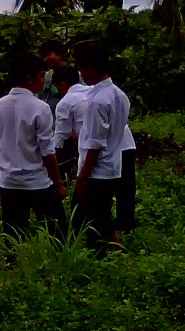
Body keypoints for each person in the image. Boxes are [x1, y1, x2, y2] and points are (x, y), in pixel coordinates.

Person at [0, 51, 68, 256]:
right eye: (41, 75)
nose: (44, 80)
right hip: (37, 181)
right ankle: (59, 263)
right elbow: (47, 151)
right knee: (57, 233)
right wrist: (58, 183)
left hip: (10, 182)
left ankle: (14, 269)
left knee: (13, 235)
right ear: (29, 78)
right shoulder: (40, 108)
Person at [71, 42, 130, 255]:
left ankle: (104, 254)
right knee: (101, 215)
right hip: (112, 165)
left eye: (83, 69)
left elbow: (95, 144)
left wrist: (82, 177)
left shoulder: (97, 101)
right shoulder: (119, 95)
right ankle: (115, 251)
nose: (82, 74)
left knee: (90, 218)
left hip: (97, 170)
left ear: (92, 69)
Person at [52, 66, 90, 181]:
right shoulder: (93, 91)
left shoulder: (65, 102)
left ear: (62, 84)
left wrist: (50, 156)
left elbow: (61, 136)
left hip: (89, 147)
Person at [115, 125, 137, 234]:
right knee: (126, 189)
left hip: (114, 145)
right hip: (124, 144)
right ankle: (125, 226)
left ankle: (124, 226)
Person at [38, 40, 68, 114]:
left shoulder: (75, 74)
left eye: (48, 54)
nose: (46, 58)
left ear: (59, 54)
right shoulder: (46, 76)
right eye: (44, 56)